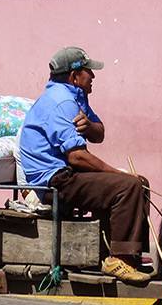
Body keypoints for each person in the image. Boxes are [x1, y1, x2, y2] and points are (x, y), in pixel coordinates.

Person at [18, 46, 152, 285]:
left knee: (139, 183)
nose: (93, 76)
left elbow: (99, 133)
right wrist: (116, 172)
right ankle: (117, 258)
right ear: (74, 76)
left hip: (69, 174)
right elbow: (76, 157)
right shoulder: (61, 102)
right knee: (128, 185)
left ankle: (131, 256)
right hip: (56, 180)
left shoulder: (75, 96)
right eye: (89, 71)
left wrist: (89, 126)